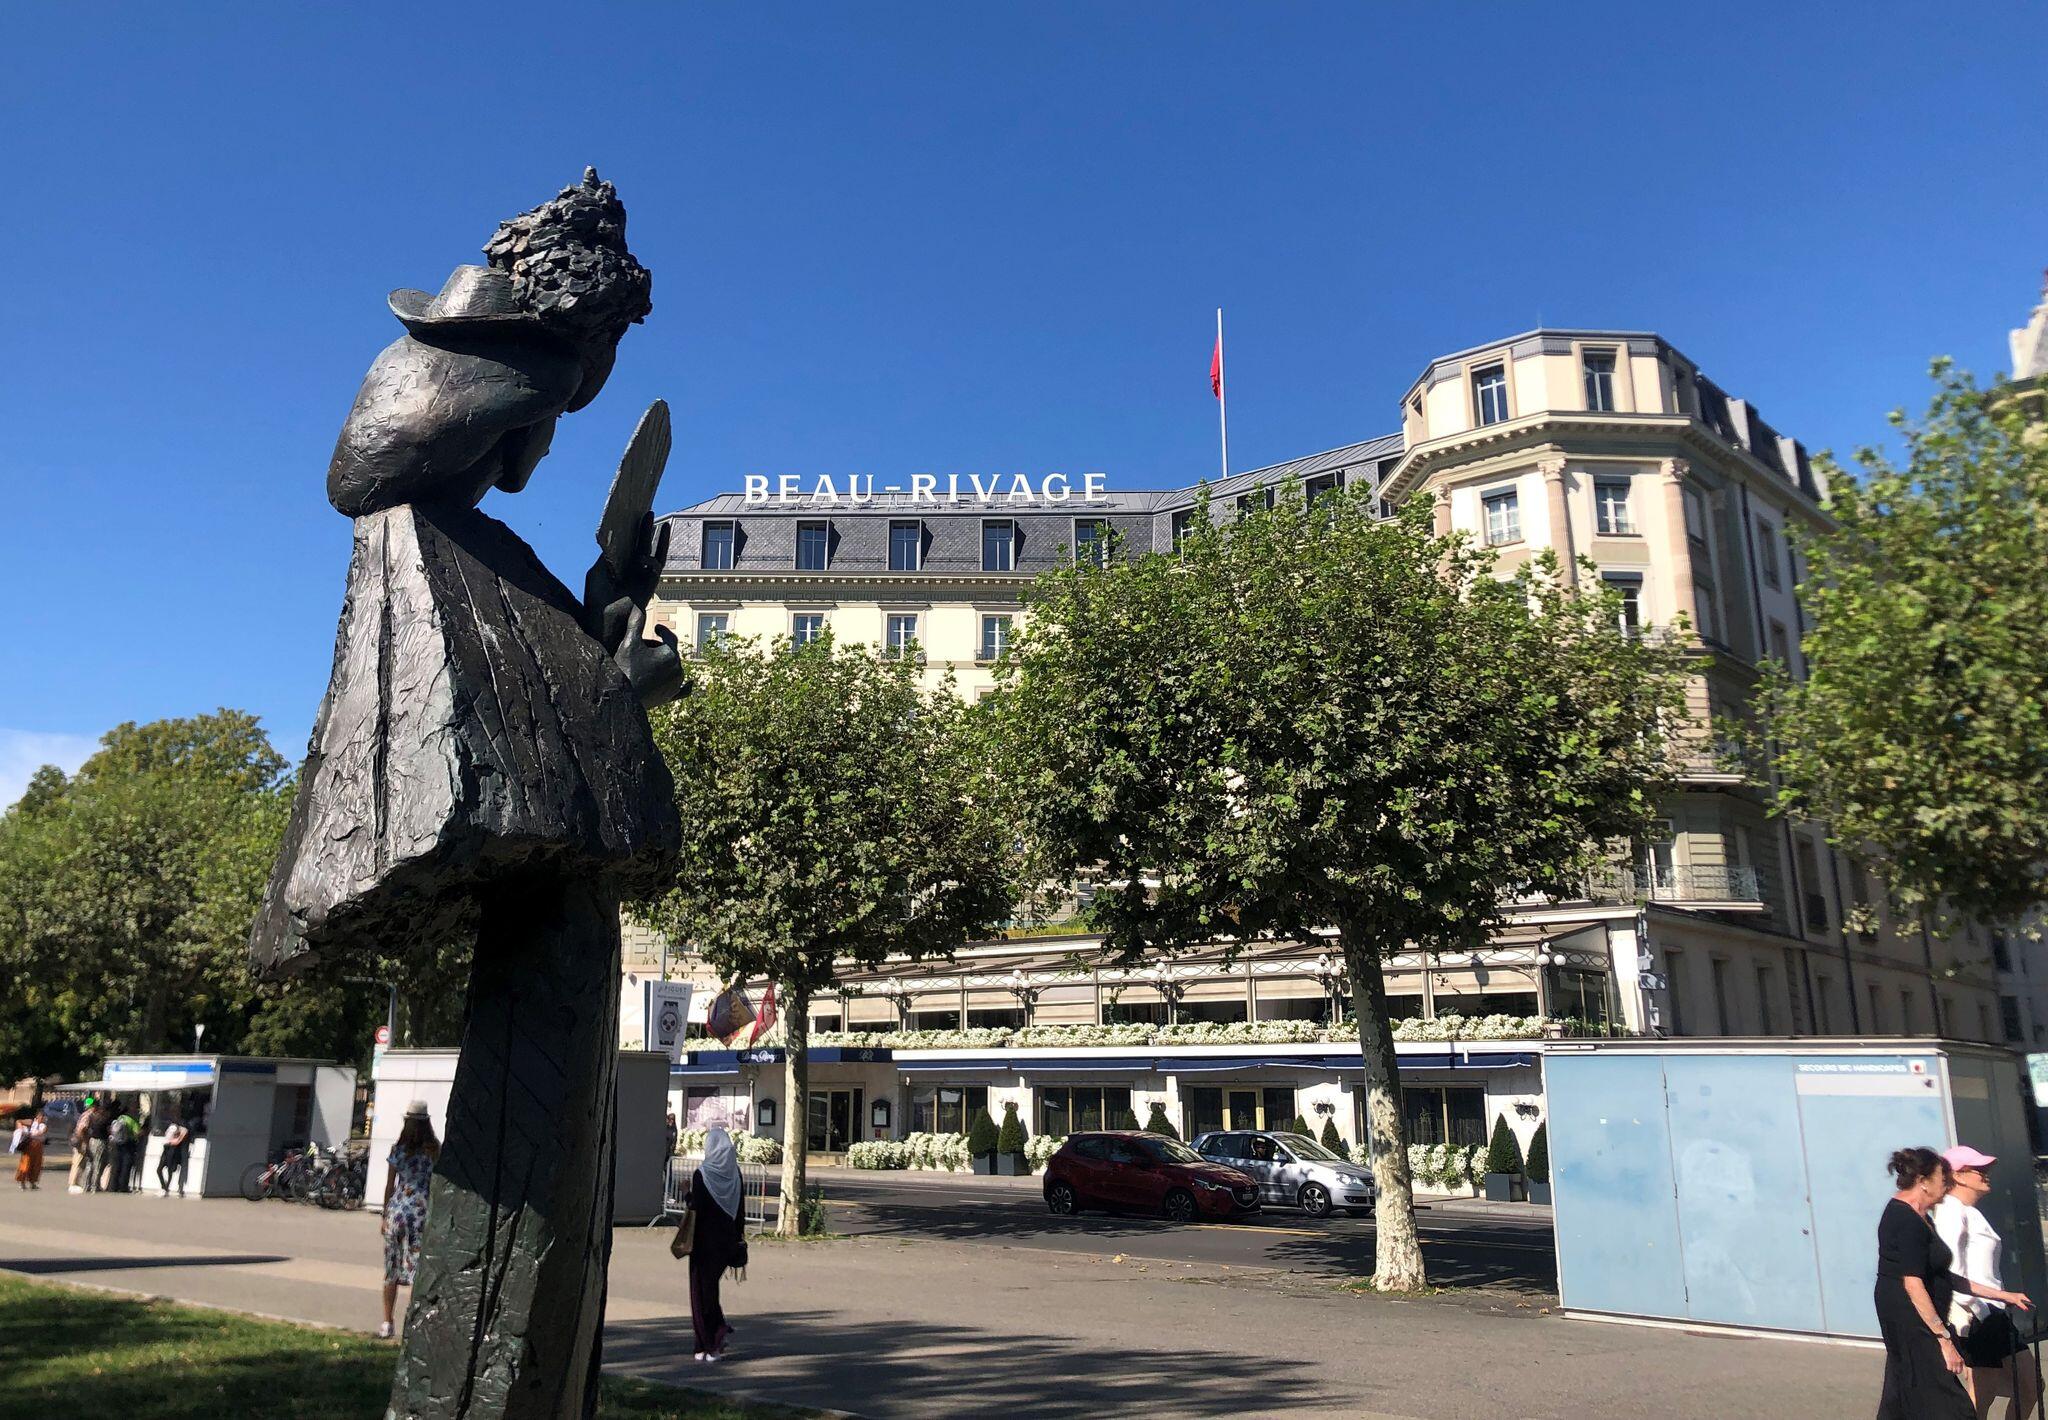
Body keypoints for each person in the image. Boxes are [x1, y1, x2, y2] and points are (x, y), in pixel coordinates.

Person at [1876, 1146, 2028, 1420]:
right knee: (1953, 1407)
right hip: (1913, 1322)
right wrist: (1943, 1338)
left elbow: (1945, 1276)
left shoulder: (1922, 1217)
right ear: (1923, 1181)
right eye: (1941, 1178)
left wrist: (2003, 1295)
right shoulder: (1905, 1218)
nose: (1946, 1185)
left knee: (1900, 1400)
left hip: (1920, 1320)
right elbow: (1913, 1284)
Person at [1933, 1145, 2039, 1418]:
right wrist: (1974, 1311)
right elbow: (1949, 1269)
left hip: (1992, 1313)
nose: (1985, 1173)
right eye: (1978, 1169)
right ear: (1958, 1176)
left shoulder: (1968, 1211)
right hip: (1977, 1315)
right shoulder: (1951, 1211)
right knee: (1983, 1395)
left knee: (2029, 1387)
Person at [686, 1126, 748, 1362]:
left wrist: (686, 1194)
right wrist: (738, 1236)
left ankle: (710, 1341)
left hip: (703, 1243)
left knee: (700, 1293)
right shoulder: (735, 1175)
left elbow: (696, 1208)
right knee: (710, 1291)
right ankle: (710, 1340)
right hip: (727, 1241)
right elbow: (740, 1210)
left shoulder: (702, 1175)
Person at [379, 1101, 439, 1340]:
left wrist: (385, 1214)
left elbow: (389, 1185)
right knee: (417, 1270)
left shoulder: (399, 1150)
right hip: (421, 1214)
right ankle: (413, 1324)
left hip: (397, 1212)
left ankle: (387, 1322)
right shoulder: (434, 1151)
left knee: (391, 1269)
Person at [156, 1117, 192, 1198]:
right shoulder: (171, 1126)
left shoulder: (182, 1129)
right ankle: (164, 1186)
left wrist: (175, 1140)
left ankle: (166, 1188)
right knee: (159, 1169)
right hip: (166, 1148)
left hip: (171, 1149)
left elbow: (179, 1139)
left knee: (170, 1170)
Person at [68, 1100, 96, 1193]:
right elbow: (81, 1130)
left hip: (80, 1140)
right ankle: (73, 1183)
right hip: (81, 1141)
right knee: (78, 1162)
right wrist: (84, 1142)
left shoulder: (84, 1114)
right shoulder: (87, 1116)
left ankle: (74, 1182)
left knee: (79, 1162)